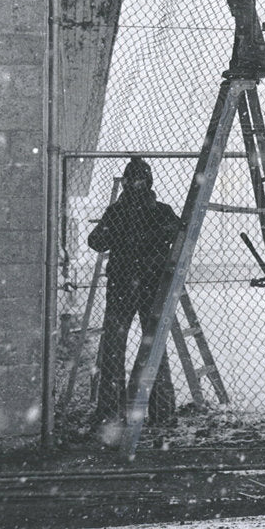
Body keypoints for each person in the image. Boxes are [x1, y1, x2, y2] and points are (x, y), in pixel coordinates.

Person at [88, 157, 181, 438]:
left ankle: (112, 414)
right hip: (148, 286)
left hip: (125, 285)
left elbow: (97, 241)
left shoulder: (118, 211)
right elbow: (180, 236)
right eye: (135, 180)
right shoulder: (160, 211)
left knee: (116, 351)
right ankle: (161, 413)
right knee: (151, 350)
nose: (136, 185)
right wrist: (153, 241)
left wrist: (122, 234)